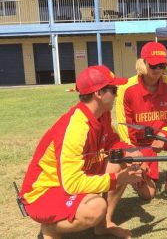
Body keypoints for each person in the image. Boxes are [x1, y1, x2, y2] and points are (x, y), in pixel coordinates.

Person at [20, 65, 145, 239]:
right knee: (96, 207)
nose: (117, 94)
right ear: (99, 94)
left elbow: (111, 141)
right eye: (114, 89)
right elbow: (71, 184)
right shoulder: (75, 128)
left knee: (119, 160)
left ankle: (104, 225)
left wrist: (130, 152)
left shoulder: (102, 114)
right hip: (43, 193)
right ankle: (50, 228)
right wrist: (117, 179)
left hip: (71, 179)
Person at [116, 41, 167, 199]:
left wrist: (164, 135)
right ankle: (131, 172)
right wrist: (135, 157)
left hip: (161, 138)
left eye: (162, 65)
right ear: (142, 63)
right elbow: (124, 129)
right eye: (153, 66)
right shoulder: (126, 89)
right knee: (148, 195)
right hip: (138, 145)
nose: (158, 70)